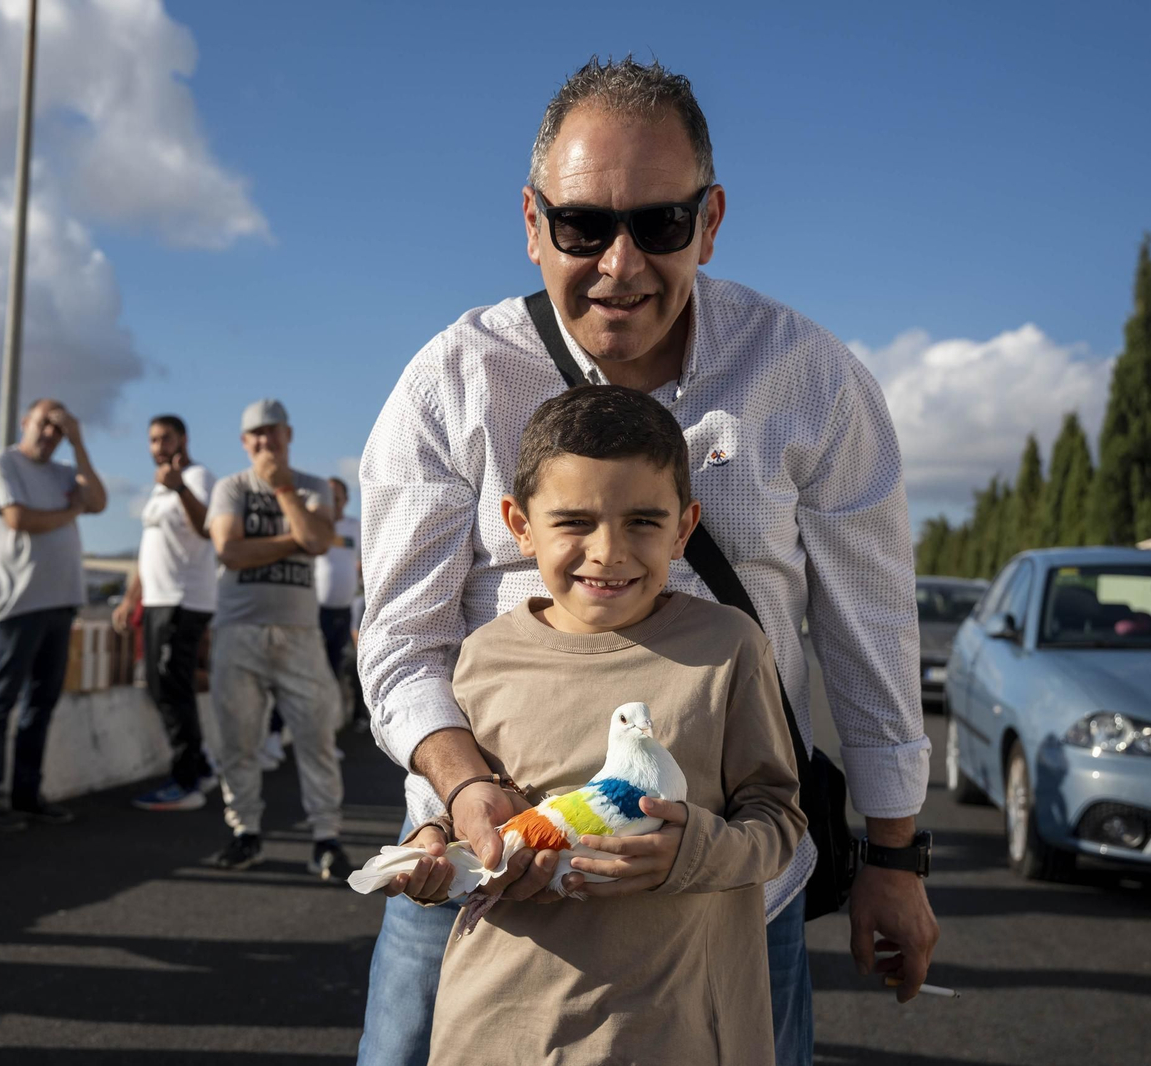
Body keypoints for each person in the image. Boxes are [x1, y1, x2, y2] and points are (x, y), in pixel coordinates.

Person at [356, 58, 936, 1066]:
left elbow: (868, 629)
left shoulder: (809, 379)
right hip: (478, 877)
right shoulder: (452, 379)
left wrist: (895, 853)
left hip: (728, 895)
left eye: (660, 225)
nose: (620, 264)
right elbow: (401, 642)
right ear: (532, 222)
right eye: (583, 226)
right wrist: (467, 794)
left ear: (710, 221)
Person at [396, 385, 804, 1063]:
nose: (609, 551)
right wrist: (432, 852)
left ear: (685, 526)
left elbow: (779, 822)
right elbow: (461, 814)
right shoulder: (481, 658)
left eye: (643, 521)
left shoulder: (730, 646)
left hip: (674, 1034)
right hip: (497, 1029)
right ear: (519, 525)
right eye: (574, 521)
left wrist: (693, 850)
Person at [204, 398, 351, 879]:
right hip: (238, 630)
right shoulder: (230, 488)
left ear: (288, 436)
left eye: (273, 433)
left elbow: (317, 541)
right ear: (245, 443)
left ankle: (326, 838)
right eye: (256, 435)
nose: (265, 442)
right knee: (237, 740)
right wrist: (298, 536)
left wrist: (284, 491)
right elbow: (229, 550)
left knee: (316, 738)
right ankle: (245, 832)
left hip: (299, 633)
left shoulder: (310, 487)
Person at [0, 399, 107, 831]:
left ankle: (27, 794)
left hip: (61, 602)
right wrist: (70, 513)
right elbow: (19, 518)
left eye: (59, 430)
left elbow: (98, 501)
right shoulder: (1, 462)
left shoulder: (65, 472)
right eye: (44, 424)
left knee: (41, 705)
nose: (50, 434)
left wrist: (80, 443)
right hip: (18, 605)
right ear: (25, 422)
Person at [121, 415, 222, 812]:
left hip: (184, 600)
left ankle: (187, 780)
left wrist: (179, 487)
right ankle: (198, 765)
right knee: (161, 684)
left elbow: (205, 529)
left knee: (169, 685)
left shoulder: (197, 478)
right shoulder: (159, 489)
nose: (158, 446)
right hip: (157, 599)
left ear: (183, 438)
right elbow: (150, 548)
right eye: (152, 439)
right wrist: (132, 596)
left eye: (165, 438)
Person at [315, 476, 361, 717]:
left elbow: (364, 560)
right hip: (316, 610)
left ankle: (330, 727)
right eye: (328, 496)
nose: (334, 501)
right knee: (313, 669)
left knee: (336, 667)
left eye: (337, 496)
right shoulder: (315, 525)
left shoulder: (355, 526)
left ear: (345, 499)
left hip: (345, 610)